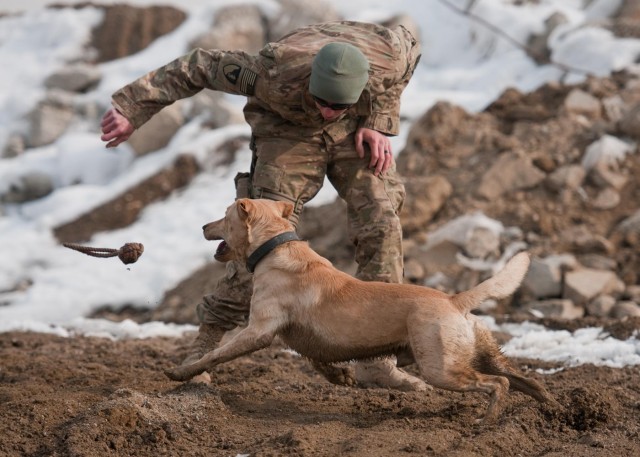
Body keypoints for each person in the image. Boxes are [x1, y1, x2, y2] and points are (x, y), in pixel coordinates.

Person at [100, 20, 425, 391]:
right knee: (259, 235)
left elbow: (410, 55)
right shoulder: (271, 71)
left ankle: (375, 360)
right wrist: (132, 107)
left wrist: (378, 121)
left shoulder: (387, 57)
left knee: (382, 222)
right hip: (286, 131)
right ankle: (206, 342)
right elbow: (197, 66)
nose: (329, 112)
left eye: (339, 104)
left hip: (356, 130)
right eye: (324, 102)